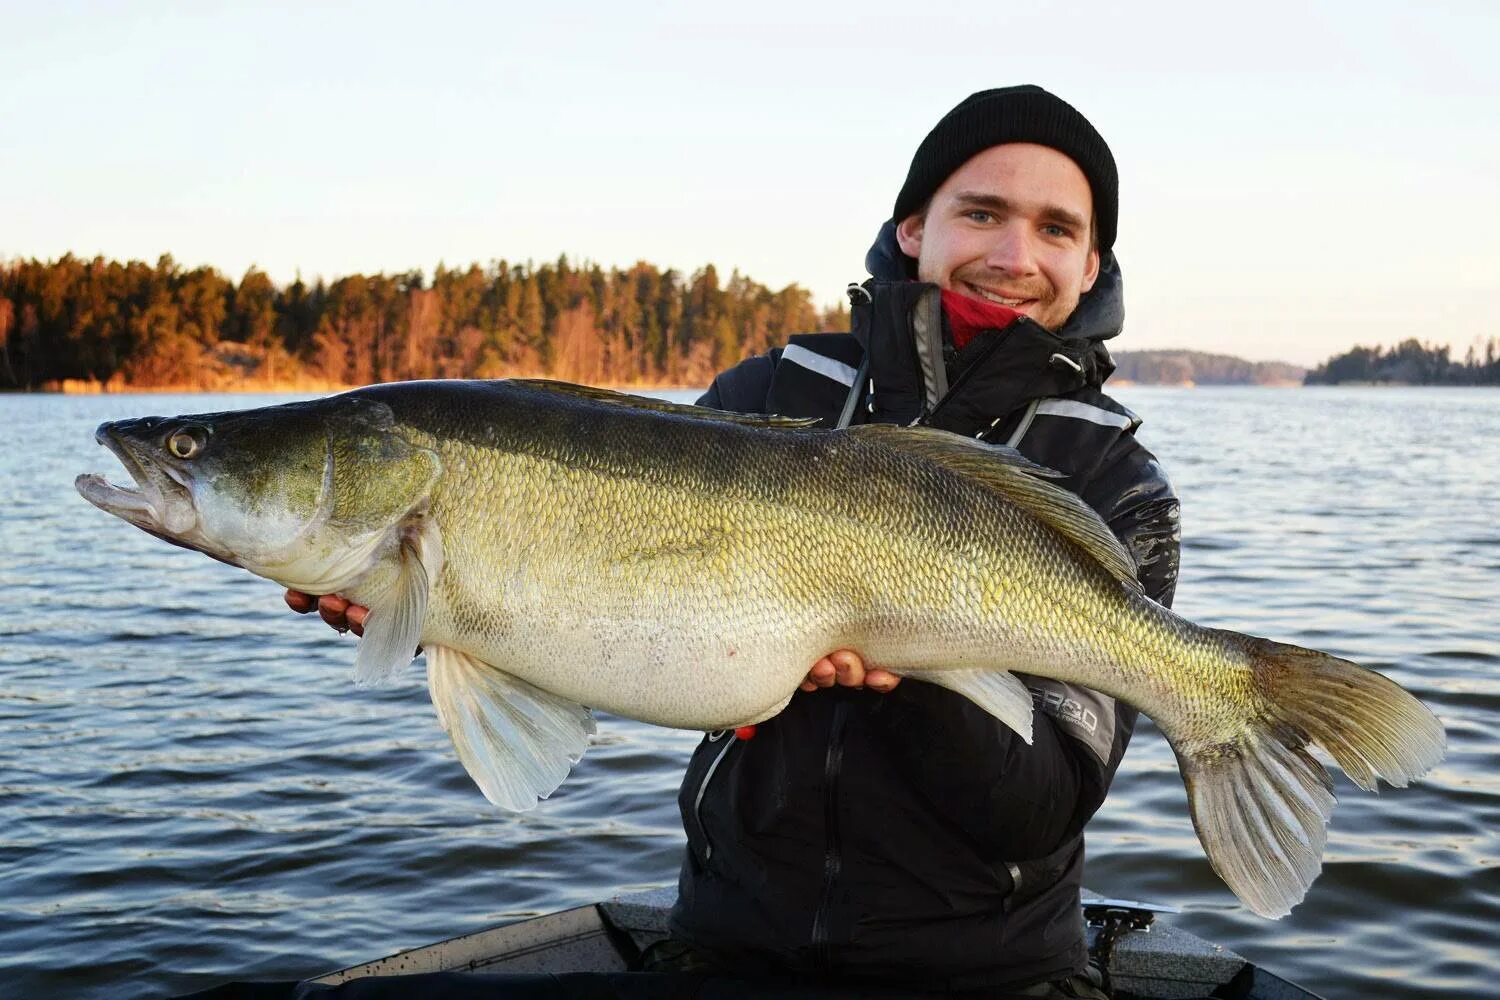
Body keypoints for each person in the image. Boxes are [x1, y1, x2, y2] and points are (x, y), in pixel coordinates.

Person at [290, 85, 1180, 998]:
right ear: (915, 227)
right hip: (728, 944)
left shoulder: (1114, 481)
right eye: (982, 212)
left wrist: (906, 671)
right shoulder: (770, 393)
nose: (1013, 254)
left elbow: (1039, 813)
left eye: (1055, 229)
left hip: (991, 978)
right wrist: (437, 606)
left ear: (1091, 261)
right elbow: (637, 633)